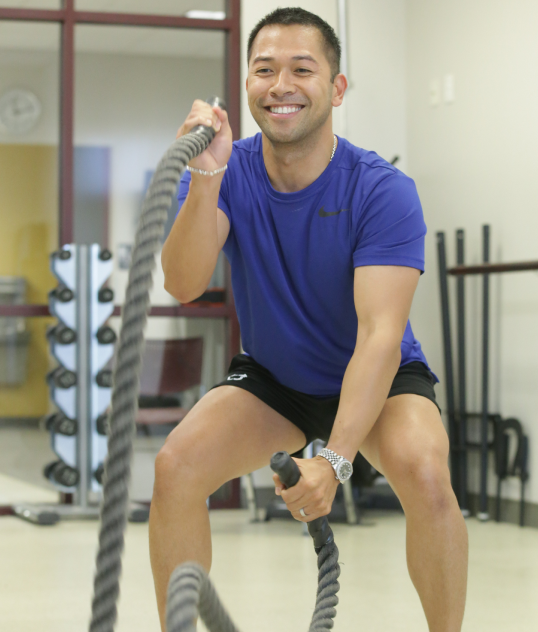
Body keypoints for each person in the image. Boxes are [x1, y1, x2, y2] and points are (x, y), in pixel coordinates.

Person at [153, 7, 468, 632]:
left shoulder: (382, 190)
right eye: (264, 70)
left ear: (337, 87)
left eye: (302, 69)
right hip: (275, 380)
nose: (281, 85)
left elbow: (380, 336)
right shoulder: (225, 171)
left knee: (429, 478)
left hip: (380, 377)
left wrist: (338, 462)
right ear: (246, 84)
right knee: (176, 467)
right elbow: (184, 284)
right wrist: (206, 178)